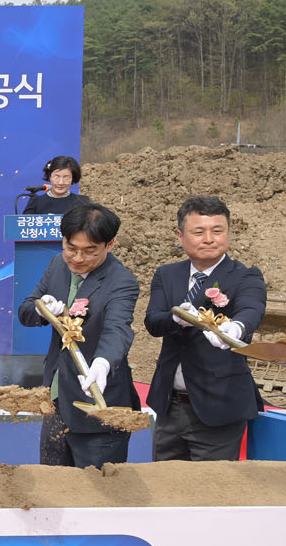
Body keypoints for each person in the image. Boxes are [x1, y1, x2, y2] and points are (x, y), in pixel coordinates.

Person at [17, 200, 142, 467]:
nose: (77, 259)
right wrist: (41, 310)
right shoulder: (57, 265)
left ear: (110, 245)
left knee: (97, 488)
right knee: (53, 482)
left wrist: (102, 364)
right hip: (56, 399)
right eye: (70, 248)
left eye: (89, 251)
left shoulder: (121, 281)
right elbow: (26, 311)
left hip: (97, 407)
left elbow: (117, 329)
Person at [143, 196, 266, 461]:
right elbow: (153, 321)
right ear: (180, 236)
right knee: (164, 481)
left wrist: (236, 328)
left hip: (218, 406)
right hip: (170, 406)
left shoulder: (245, 276)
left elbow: (251, 309)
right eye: (199, 232)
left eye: (217, 231)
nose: (209, 239)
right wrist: (177, 319)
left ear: (228, 233)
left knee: (211, 484)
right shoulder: (167, 274)